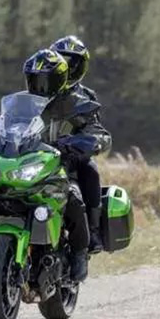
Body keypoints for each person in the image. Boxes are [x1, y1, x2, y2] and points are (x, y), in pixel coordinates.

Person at [22, 49, 93, 282]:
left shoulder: (73, 103)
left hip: (60, 166)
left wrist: (86, 140)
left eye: (45, 81)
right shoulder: (24, 104)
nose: (39, 86)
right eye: (34, 80)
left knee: (73, 198)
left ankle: (80, 253)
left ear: (59, 80)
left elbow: (96, 130)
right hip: (28, 165)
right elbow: (6, 125)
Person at [49, 36, 111, 255]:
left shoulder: (85, 96)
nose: (67, 67)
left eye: (72, 62)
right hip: (39, 155)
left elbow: (95, 127)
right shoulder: (40, 89)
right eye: (61, 60)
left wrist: (88, 142)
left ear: (80, 66)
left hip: (72, 155)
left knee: (90, 171)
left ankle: (92, 231)